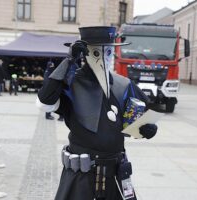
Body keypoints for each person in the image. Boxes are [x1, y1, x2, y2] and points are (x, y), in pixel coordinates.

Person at [36, 26, 157, 200]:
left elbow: (142, 114)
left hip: (115, 173)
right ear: (85, 54)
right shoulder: (72, 82)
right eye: (95, 53)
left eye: (108, 52)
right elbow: (44, 102)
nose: (104, 58)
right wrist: (69, 61)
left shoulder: (122, 84)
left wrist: (147, 128)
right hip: (82, 177)